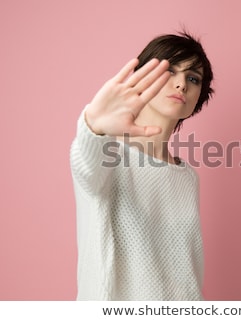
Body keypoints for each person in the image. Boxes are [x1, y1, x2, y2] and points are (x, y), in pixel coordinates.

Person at [70, 32, 214, 300]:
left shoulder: (187, 177)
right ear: (143, 77)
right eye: (169, 71)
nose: (181, 84)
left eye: (192, 78)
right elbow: (85, 165)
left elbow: (187, 270)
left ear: (198, 99)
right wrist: (93, 125)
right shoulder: (109, 153)